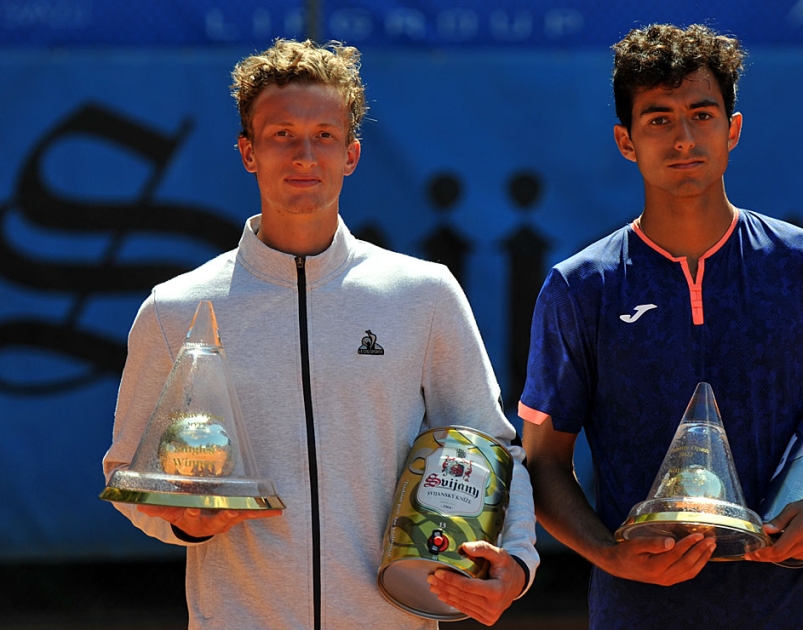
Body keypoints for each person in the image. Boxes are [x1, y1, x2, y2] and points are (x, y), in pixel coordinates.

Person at [102, 38, 538, 629]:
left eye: (325, 136)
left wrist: (514, 562)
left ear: (351, 154)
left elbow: (491, 447)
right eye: (281, 134)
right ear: (248, 151)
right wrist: (184, 520)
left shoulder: (424, 293)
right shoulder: (174, 309)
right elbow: (127, 470)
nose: (304, 153)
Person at [519, 23, 803, 629]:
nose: (683, 138)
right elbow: (543, 463)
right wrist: (611, 554)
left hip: (792, 611)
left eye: (702, 114)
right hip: (636, 614)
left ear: (734, 128)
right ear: (626, 141)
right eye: (658, 120)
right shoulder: (580, 287)